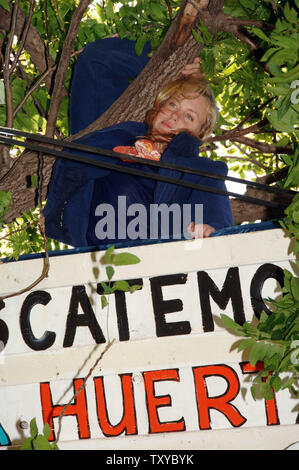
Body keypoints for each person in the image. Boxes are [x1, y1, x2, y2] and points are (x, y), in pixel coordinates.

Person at [44, 38, 233, 248]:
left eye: (189, 116)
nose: (175, 115)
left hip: (161, 268)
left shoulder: (202, 172)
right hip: (102, 265)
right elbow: (97, 59)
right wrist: (171, 65)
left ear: (200, 133)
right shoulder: (112, 137)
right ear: (159, 107)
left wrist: (209, 232)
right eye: (172, 104)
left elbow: (219, 228)